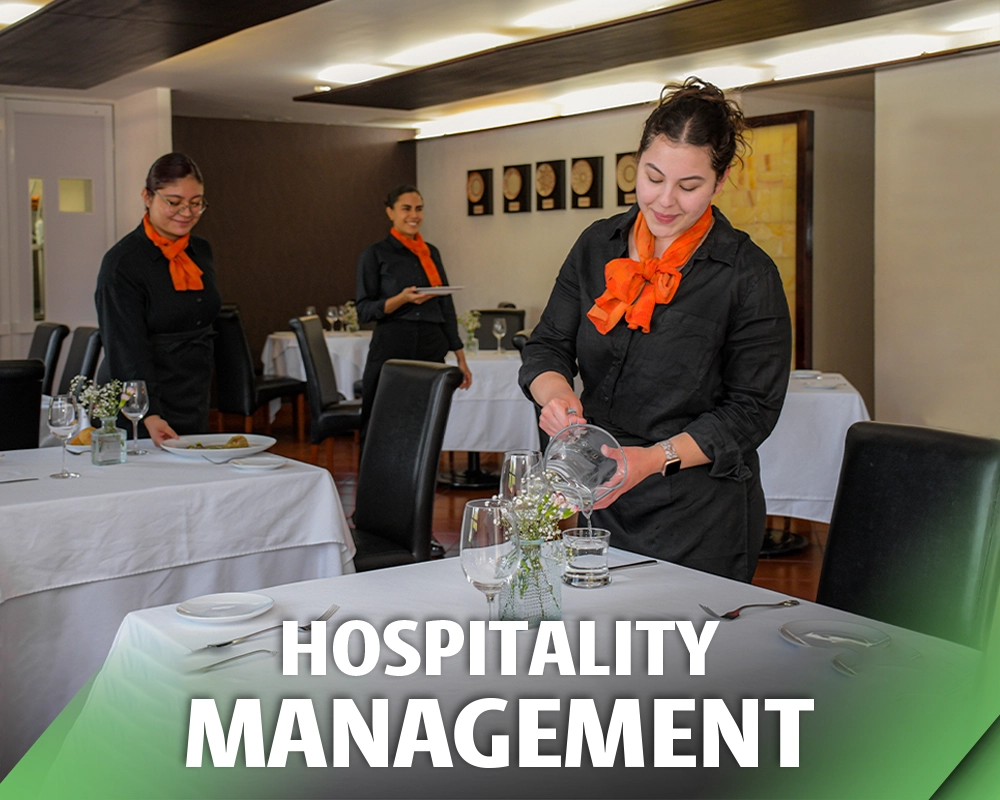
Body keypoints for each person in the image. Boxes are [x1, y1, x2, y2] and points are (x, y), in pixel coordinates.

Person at [519, 78, 792, 582]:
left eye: (689, 186)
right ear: (637, 163)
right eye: (653, 177)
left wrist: (650, 459)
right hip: (601, 497)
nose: (665, 201)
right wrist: (556, 397)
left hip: (697, 511)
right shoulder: (597, 244)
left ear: (720, 181)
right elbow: (548, 345)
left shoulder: (747, 275)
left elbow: (752, 411)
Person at [95, 153, 221, 446]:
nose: (186, 212)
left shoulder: (201, 251)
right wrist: (148, 412)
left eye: (196, 203)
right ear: (147, 197)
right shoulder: (122, 263)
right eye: (174, 202)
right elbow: (125, 348)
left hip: (192, 392)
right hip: (138, 401)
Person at [356, 184, 472, 444]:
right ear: (390, 212)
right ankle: (374, 471)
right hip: (393, 346)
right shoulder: (374, 254)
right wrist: (402, 299)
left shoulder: (431, 252)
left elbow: (446, 306)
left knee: (426, 424)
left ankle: (421, 471)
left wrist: (460, 358)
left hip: (431, 346)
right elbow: (364, 310)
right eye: (406, 209)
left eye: (419, 209)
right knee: (379, 422)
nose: (414, 215)